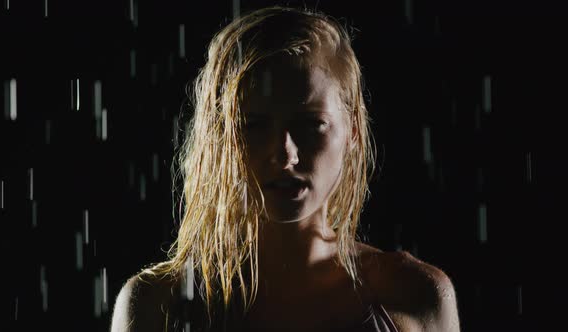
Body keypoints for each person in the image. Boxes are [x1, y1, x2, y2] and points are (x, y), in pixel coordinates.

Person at [110, 6, 460, 332]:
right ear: (221, 137)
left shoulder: (413, 297)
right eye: (254, 125)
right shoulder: (157, 305)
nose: (284, 154)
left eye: (311, 124)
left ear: (352, 131)